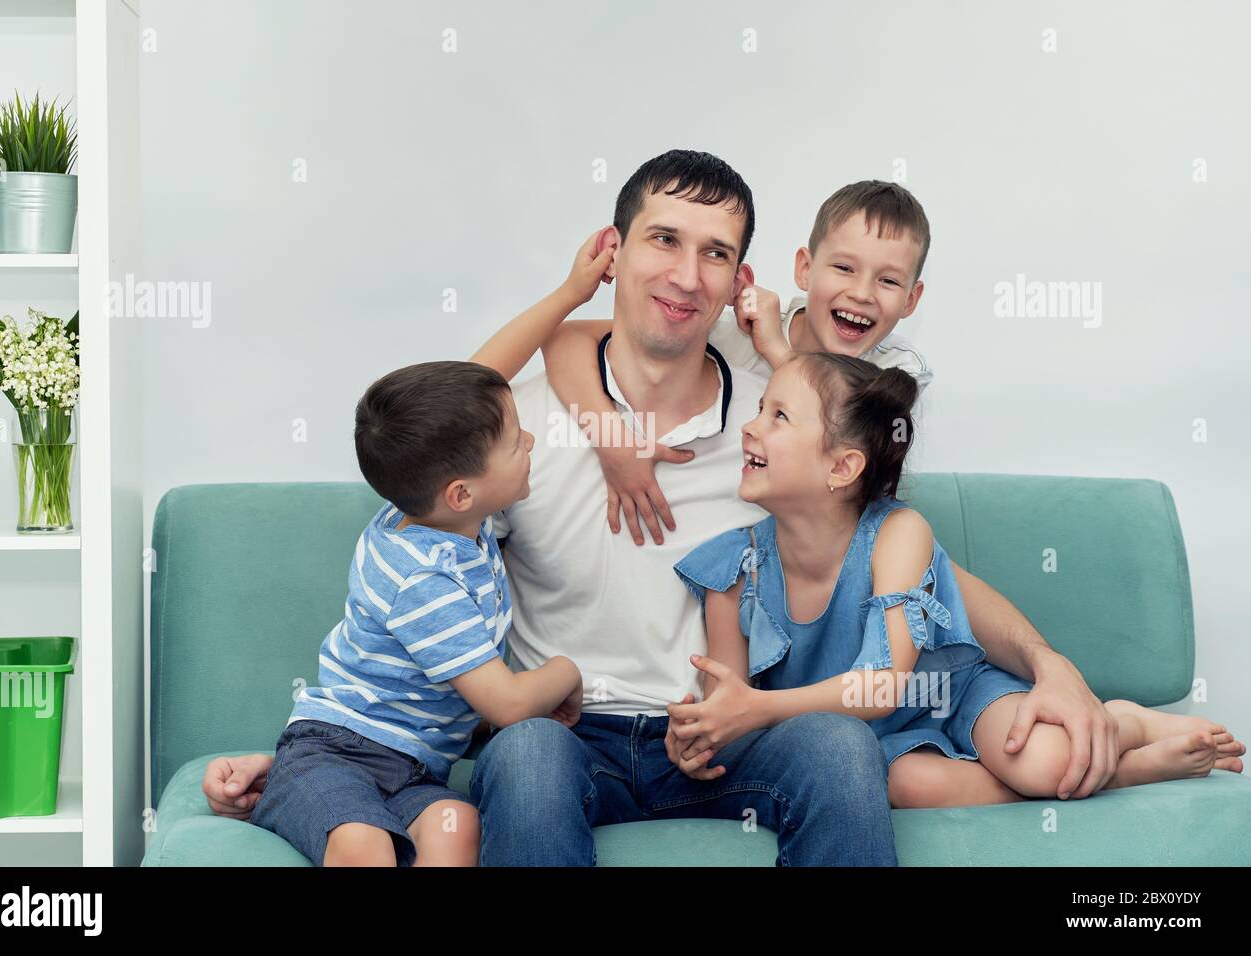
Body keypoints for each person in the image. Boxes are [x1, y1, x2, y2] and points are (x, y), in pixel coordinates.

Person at [204, 149, 1128, 863]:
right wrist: (308, 760)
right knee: (521, 759)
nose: (688, 275)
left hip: (725, 729)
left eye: (716, 253)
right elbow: (422, 501)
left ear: (740, 280)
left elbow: (912, 566)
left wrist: (1051, 663)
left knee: (842, 753)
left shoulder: (777, 426)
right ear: (617, 254)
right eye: (664, 240)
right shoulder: (518, 433)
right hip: (573, 733)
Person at [665, 352, 1246, 805]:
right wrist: (702, 734)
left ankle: (1127, 723)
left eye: (778, 416)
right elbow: (727, 705)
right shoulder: (734, 567)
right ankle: (1121, 773)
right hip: (865, 743)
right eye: (760, 408)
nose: (750, 428)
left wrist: (761, 710)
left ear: (842, 467)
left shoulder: (898, 534)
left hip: (952, 695)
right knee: (905, 790)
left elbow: (885, 684)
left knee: (1042, 761)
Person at [245, 236, 618, 866]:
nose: (529, 438)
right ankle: (289, 797)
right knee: (364, 844)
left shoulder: (443, 510)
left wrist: (570, 294)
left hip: (415, 769)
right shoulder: (423, 575)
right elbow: (503, 702)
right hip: (332, 753)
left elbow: (478, 384)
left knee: (455, 828)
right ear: (462, 489)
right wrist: (568, 672)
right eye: (514, 441)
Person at [540, 180, 932, 547]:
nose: (861, 293)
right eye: (844, 268)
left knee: (910, 543)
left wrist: (778, 353)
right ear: (805, 269)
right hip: (725, 523)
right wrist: (612, 439)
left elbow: (849, 443)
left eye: (888, 281)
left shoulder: (900, 368)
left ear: (912, 300)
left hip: (821, 539)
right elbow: (566, 339)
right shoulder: (735, 330)